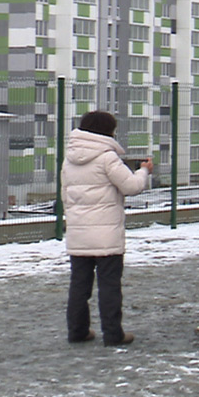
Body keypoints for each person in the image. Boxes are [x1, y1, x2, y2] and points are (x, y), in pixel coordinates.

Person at [62, 110, 153, 347]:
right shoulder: (107, 157)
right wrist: (144, 171)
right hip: (107, 234)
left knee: (79, 286)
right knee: (109, 285)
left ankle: (77, 331)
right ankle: (113, 334)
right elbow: (131, 186)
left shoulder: (68, 159)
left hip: (78, 233)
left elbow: (65, 197)